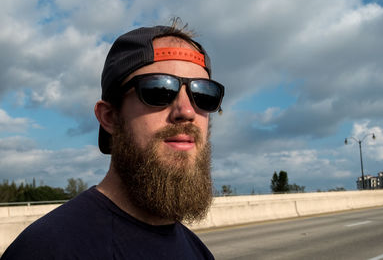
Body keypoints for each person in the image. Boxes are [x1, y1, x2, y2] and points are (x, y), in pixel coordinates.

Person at [1, 21, 224, 259]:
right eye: (158, 90)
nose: (187, 111)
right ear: (109, 117)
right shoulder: (46, 249)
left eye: (204, 94)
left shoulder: (198, 251)